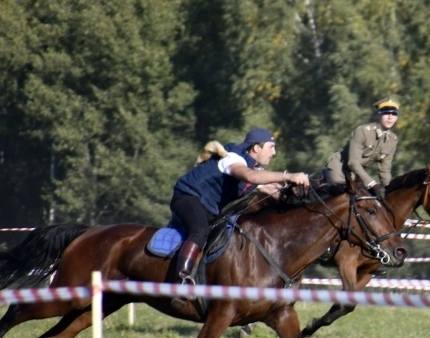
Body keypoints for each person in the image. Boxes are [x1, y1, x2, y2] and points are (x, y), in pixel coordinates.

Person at [169, 128, 310, 287]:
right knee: (200, 231)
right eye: (271, 147)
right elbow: (251, 177)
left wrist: (302, 194)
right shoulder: (233, 158)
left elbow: (273, 190)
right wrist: (288, 175)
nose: (274, 152)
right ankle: (181, 280)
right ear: (257, 148)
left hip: (207, 208)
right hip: (187, 197)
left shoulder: (256, 169)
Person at [323, 97, 399, 200]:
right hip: (340, 172)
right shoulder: (363, 131)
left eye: (394, 114)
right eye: (386, 113)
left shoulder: (392, 140)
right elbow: (353, 163)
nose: (390, 117)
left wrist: (389, 189)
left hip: (357, 177)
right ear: (379, 115)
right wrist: (373, 184)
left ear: (396, 118)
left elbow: (384, 169)